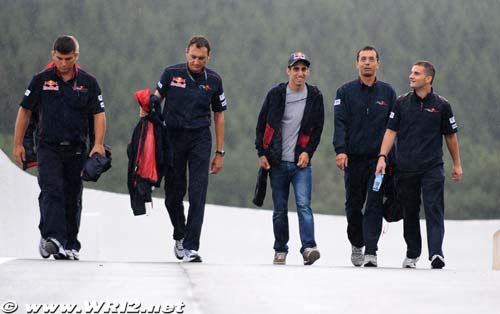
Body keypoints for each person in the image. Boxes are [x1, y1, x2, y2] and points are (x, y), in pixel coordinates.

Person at [13, 35, 106, 260]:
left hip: (76, 147)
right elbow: (25, 111)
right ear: (53, 55)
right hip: (48, 146)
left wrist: (98, 144)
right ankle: (53, 238)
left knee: (72, 196)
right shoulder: (41, 80)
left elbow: (98, 114)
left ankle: (70, 244)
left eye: (68, 58)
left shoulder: (88, 82)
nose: (64, 63)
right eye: (60, 58)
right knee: (51, 190)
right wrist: (18, 144)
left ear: (76, 56)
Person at [142, 35, 226, 263]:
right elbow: (156, 97)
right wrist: (147, 106)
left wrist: (219, 152)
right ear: (186, 53)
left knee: (198, 193)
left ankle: (191, 246)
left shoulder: (215, 80)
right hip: (173, 137)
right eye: (193, 57)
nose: (197, 62)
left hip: (200, 138)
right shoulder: (171, 73)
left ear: (209, 56)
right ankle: (180, 233)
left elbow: (219, 115)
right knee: (173, 195)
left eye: (202, 58)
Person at [375, 60, 462, 269]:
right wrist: (382, 157)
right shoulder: (401, 102)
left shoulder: (442, 105)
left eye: (416, 73)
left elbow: (450, 136)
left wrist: (457, 164)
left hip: (432, 167)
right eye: (411, 72)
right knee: (410, 211)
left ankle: (436, 254)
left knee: (434, 209)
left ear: (428, 78)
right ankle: (413, 254)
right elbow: (390, 131)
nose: (411, 76)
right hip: (406, 168)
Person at [255, 52, 324, 265]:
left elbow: (317, 129)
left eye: (304, 69)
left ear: (308, 72)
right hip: (277, 161)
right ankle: (280, 249)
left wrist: (307, 152)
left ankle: (308, 248)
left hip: (301, 163)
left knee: (304, 205)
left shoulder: (314, 96)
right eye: (296, 69)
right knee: (280, 209)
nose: (300, 73)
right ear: (288, 71)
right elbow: (261, 125)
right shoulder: (276, 94)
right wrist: (261, 153)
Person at [333, 46, 396, 267]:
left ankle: (371, 251)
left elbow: (393, 127)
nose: (367, 62)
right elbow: (339, 123)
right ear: (356, 63)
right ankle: (357, 244)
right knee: (353, 205)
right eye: (363, 59)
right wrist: (340, 150)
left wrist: (388, 157)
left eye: (371, 59)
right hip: (353, 158)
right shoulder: (344, 92)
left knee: (374, 204)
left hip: (378, 160)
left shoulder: (388, 93)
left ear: (378, 63)